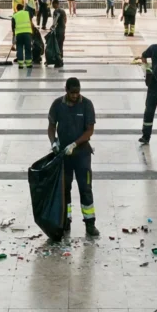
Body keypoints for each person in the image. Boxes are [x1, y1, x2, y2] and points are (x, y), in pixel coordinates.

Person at [48, 77, 98, 237]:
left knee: (85, 188)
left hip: (82, 155)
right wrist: (54, 142)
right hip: (64, 156)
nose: (75, 95)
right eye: (72, 93)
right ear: (66, 90)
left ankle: (90, 223)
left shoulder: (87, 104)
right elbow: (51, 126)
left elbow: (89, 131)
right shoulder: (57, 105)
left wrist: (75, 144)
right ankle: (66, 221)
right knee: (65, 188)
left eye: (77, 92)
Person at [13, 2, 34, 69]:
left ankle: (21, 64)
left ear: (16, 9)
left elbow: (13, 28)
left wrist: (13, 40)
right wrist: (32, 32)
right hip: (27, 33)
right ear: (23, 8)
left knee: (19, 48)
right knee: (28, 48)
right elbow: (31, 22)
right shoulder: (27, 13)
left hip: (19, 34)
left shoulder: (14, 15)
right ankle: (28, 64)